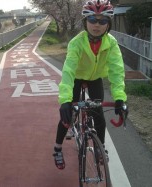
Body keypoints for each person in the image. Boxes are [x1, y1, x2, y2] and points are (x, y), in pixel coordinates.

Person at [53, 0, 128, 170]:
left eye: (103, 21)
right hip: (76, 78)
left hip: (95, 79)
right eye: (93, 19)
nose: (97, 25)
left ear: (108, 24)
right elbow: (68, 71)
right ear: (85, 22)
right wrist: (65, 100)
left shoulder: (112, 43)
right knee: (68, 115)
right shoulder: (76, 43)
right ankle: (57, 148)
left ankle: (99, 148)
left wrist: (119, 98)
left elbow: (117, 71)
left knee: (98, 115)